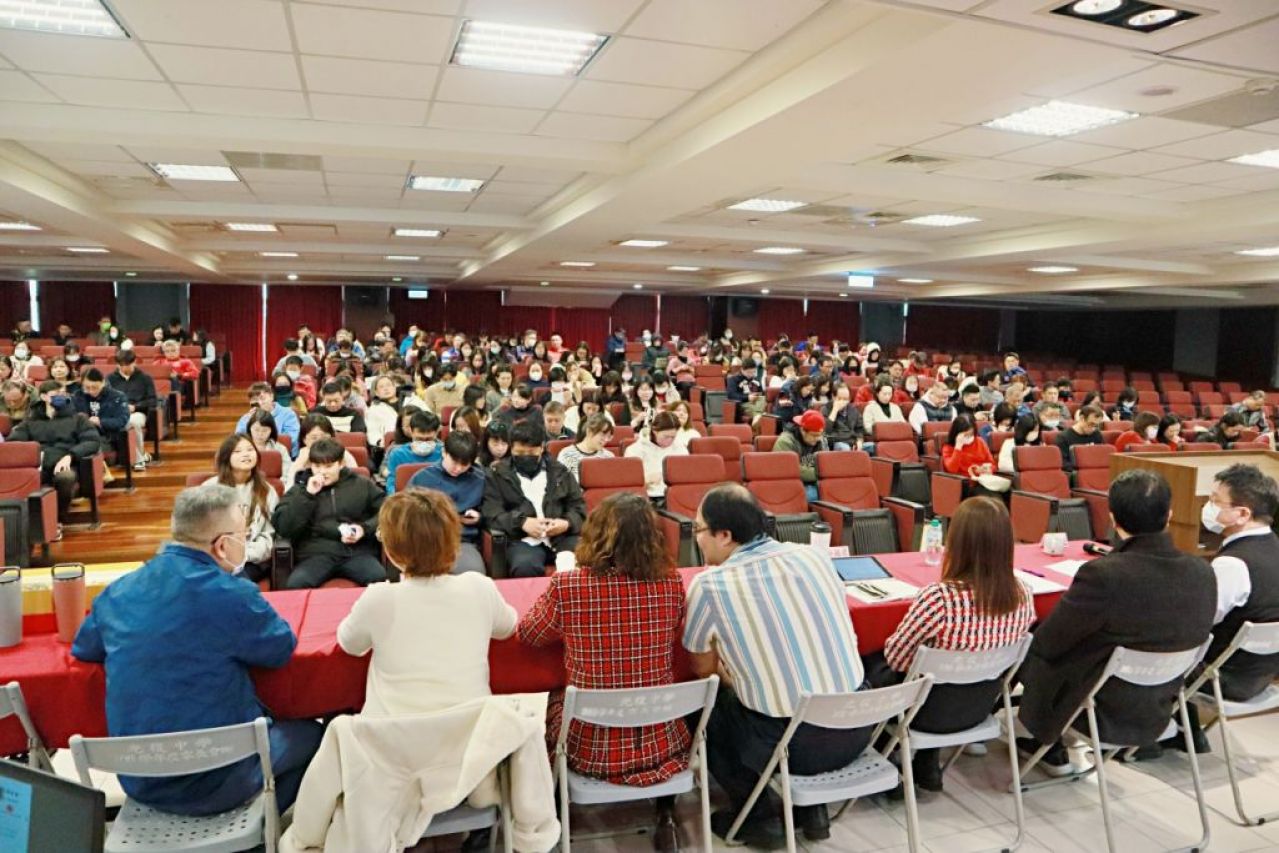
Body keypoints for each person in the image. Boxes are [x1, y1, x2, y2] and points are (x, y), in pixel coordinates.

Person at [71, 485, 320, 815]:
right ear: (223, 545)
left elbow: (84, 647)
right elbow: (279, 648)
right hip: (219, 776)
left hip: (140, 778)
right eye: (243, 536)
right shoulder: (231, 594)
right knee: (319, 735)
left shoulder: (118, 592)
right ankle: (259, 822)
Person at [684, 484, 867, 846]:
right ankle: (812, 810)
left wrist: (740, 679)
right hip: (858, 727)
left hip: (792, 747)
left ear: (724, 535)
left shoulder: (710, 585)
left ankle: (756, 816)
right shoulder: (813, 557)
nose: (697, 539)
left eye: (698, 529)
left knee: (705, 705)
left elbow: (703, 670)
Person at [1016, 469, 1216, 775]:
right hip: (1161, 703)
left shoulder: (1105, 575)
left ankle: (1041, 740)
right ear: (1169, 515)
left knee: (1028, 641)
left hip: (1100, 707)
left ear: (1113, 518)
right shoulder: (1202, 571)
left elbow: (1049, 642)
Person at [519, 493, 689, 852]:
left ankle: (551, 812)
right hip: (660, 742)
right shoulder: (672, 584)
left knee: (546, 702)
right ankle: (666, 813)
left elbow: (530, 634)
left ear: (595, 535)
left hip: (589, 745)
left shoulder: (569, 586)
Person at [879, 497, 1035, 790]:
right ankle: (927, 761)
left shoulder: (939, 598)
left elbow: (895, 659)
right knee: (939, 677)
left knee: (874, 664)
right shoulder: (1023, 594)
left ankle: (884, 757)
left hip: (925, 713)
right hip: (979, 708)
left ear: (956, 542)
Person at [337, 486, 516, 714]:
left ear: (391, 551)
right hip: (469, 730)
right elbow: (507, 627)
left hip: (390, 731)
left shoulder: (378, 598)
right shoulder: (479, 587)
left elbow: (350, 644)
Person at [1183, 464, 1279, 750]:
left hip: (1222, 677)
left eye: (1215, 501)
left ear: (1242, 514)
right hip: (1261, 674)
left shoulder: (1233, 564)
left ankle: (1155, 736)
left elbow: (1198, 622)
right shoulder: (1274, 546)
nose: (1208, 507)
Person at [272, 438, 387, 588]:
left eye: (329, 466)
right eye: (317, 466)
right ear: (310, 465)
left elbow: (388, 511)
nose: (322, 472)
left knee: (379, 579)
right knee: (296, 584)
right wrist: (307, 495)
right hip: (315, 554)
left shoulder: (362, 484)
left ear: (341, 464)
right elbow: (284, 527)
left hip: (358, 552)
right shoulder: (300, 489)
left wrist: (364, 529)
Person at [481, 421, 586, 578]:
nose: (525, 456)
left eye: (531, 452)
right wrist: (522, 522)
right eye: (520, 452)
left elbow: (579, 507)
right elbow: (492, 514)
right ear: (511, 448)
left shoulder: (560, 471)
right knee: (525, 566)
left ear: (541, 448)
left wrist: (567, 523)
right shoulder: (497, 474)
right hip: (522, 540)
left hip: (562, 536)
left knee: (584, 559)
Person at [12, 380, 101, 518]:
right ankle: (26, 520)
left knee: (66, 477)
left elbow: (92, 441)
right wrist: (33, 455)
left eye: (63, 393)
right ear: (43, 397)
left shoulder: (78, 419)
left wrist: (70, 456)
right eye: (56, 394)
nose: (61, 396)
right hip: (38, 465)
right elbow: (14, 443)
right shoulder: (30, 422)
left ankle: (57, 518)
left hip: (65, 463)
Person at [404, 432, 487, 575]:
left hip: (462, 542)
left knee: (473, 574)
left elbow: (493, 512)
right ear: (444, 452)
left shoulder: (480, 479)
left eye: (465, 464)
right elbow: (405, 514)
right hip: (427, 541)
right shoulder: (422, 478)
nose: (458, 468)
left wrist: (480, 517)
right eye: (454, 462)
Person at [203, 436, 279, 584]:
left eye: (250, 450)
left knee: (232, 583)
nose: (246, 454)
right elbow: (200, 531)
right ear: (226, 458)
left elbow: (269, 535)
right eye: (238, 451)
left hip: (252, 559)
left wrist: (244, 554)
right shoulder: (209, 489)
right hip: (217, 556)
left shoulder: (267, 491)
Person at [106, 349, 156, 470]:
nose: (124, 368)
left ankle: (138, 459)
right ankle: (141, 456)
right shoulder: (110, 379)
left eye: (127, 365)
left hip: (138, 412)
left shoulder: (145, 378)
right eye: (121, 365)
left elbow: (152, 400)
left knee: (132, 422)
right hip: (117, 413)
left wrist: (135, 407)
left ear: (134, 362)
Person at [73, 368, 129, 471]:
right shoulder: (78, 396)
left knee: (89, 453)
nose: (91, 391)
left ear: (103, 382)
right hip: (83, 436)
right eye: (87, 388)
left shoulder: (117, 397)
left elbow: (121, 420)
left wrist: (100, 422)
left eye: (95, 387)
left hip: (106, 437)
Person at [624, 411, 687, 499]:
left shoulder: (680, 448)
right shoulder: (636, 450)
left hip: (674, 495)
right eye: (666, 437)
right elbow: (629, 483)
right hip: (647, 496)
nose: (669, 440)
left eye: (673, 437)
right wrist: (647, 479)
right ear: (655, 431)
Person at [773, 410, 829, 502]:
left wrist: (824, 472)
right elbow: (789, 470)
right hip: (791, 484)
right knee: (815, 495)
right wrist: (820, 473)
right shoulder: (785, 442)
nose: (818, 439)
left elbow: (826, 465)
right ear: (802, 430)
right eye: (814, 435)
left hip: (815, 482)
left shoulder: (820, 440)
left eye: (820, 435)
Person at [383, 410, 442, 495]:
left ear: (436, 432)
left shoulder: (444, 453)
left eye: (429, 439)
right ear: (411, 431)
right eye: (419, 439)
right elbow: (392, 485)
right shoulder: (397, 454)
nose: (424, 443)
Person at [236, 382, 301, 454]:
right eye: (255, 399)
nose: (260, 403)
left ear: (271, 396)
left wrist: (265, 443)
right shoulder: (246, 418)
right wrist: (249, 421)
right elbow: (238, 439)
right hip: (253, 454)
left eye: (262, 398)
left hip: (283, 453)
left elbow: (291, 439)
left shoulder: (288, 413)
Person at [557, 413, 614, 482]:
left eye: (608, 437)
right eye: (602, 435)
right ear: (589, 432)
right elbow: (562, 483)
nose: (606, 440)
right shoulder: (566, 455)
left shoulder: (609, 456)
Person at [942, 414, 995, 484]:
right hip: (963, 483)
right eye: (966, 435)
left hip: (982, 480)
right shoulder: (948, 447)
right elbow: (952, 470)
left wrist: (988, 469)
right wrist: (958, 447)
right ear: (956, 434)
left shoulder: (979, 441)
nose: (969, 437)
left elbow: (992, 463)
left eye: (971, 434)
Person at [245, 408, 293, 485]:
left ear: (271, 430)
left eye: (265, 430)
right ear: (249, 428)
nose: (260, 434)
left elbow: (288, 473)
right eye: (256, 430)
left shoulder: (280, 449)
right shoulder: (241, 448)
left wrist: (281, 486)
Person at [1054, 404, 1104, 472]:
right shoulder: (1063, 437)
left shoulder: (1097, 434)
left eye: (1096, 426)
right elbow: (1063, 463)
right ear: (1082, 418)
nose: (1093, 428)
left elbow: (1102, 457)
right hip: (1075, 473)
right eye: (1091, 424)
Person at [821, 384, 865, 452]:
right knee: (844, 448)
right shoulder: (825, 409)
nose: (842, 402)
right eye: (839, 399)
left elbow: (859, 429)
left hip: (853, 443)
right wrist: (835, 410)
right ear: (833, 397)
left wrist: (859, 441)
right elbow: (825, 431)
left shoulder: (853, 409)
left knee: (872, 446)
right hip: (837, 443)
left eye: (845, 399)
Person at [726, 358, 766, 423]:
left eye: (753, 372)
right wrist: (747, 397)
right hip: (743, 403)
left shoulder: (756, 381)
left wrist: (757, 396)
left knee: (763, 399)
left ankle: (758, 418)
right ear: (742, 370)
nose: (751, 375)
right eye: (749, 372)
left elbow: (761, 394)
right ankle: (758, 417)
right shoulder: (733, 380)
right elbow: (731, 395)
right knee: (753, 408)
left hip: (756, 403)